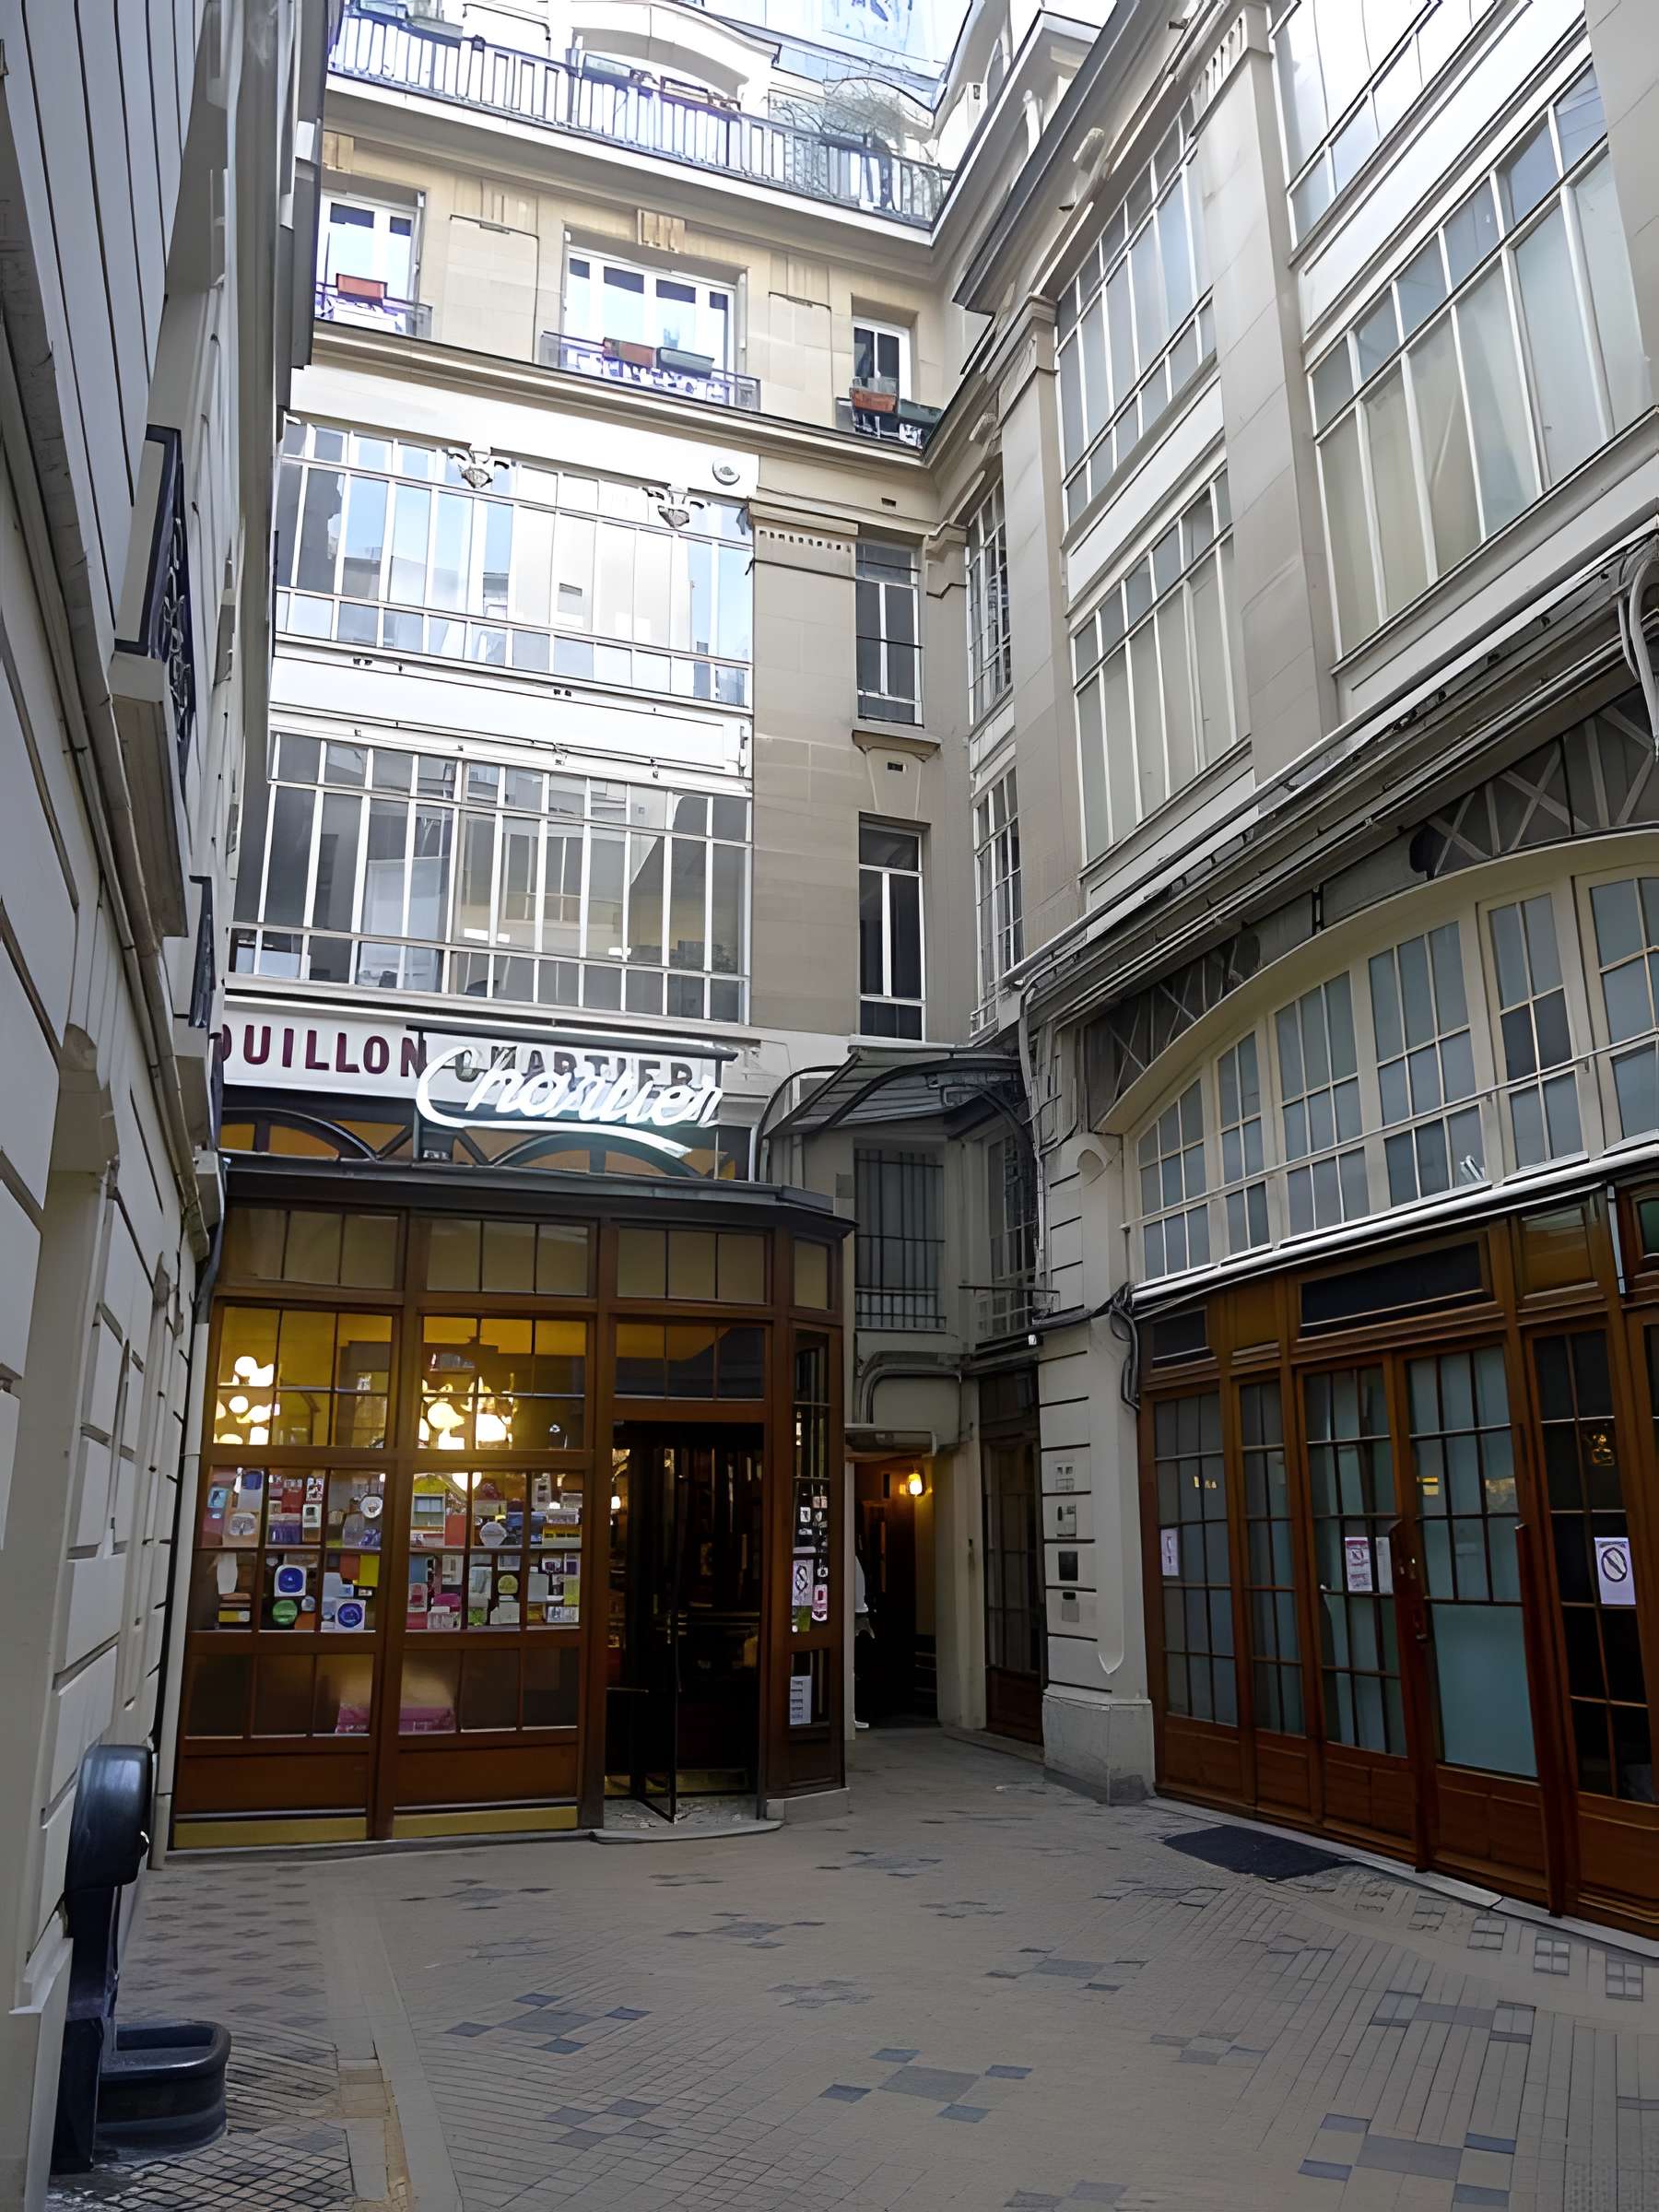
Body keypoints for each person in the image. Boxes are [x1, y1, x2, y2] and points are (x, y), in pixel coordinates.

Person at [853, 1549, 873, 1731]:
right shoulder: (851, 1558)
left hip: (853, 1618)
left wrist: (861, 1612)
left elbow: (859, 1589)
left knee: (853, 1668)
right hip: (853, 1615)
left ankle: (851, 1712)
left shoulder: (851, 1558)